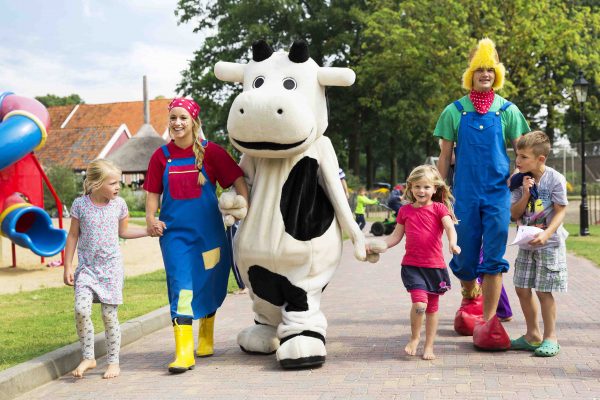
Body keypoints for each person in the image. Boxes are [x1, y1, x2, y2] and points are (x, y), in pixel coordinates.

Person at [435, 38, 530, 349]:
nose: (485, 74)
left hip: (497, 196)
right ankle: (469, 294)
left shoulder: (508, 111)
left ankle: (488, 322)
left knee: (493, 259)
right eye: (480, 70)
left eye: (490, 70)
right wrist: (437, 193)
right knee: (463, 261)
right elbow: (444, 156)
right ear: (471, 75)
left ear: (497, 74)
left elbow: (522, 151)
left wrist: (524, 180)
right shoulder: (454, 111)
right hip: (464, 195)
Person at [144, 98, 249, 373]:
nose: (177, 123)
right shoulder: (161, 156)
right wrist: (150, 218)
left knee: (210, 280)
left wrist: (243, 206)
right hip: (175, 236)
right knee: (182, 286)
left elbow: (237, 179)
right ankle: (183, 351)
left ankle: (205, 337)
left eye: (182, 118)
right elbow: (153, 192)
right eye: (173, 118)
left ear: (193, 122)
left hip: (210, 234)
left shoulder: (212, 152)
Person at [63, 159, 148, 379]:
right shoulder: (80, 205)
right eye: (113, 183)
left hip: (111, 269)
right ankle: (89, 356)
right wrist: (67, 266)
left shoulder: (119, 205)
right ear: (96, 183)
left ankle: (113, 361)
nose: (118, 187)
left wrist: (149, 231)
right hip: (87, 270)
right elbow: (72, 236)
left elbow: (124, 232)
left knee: (109, 316)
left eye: (118, 182)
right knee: (81, 310)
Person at [368, 165, 460, 360]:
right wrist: (377, 247)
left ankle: (429, 346)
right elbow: (394, 237)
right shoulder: (405, 211)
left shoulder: (439, 208)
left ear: (435, 189)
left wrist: (453, 243)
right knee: (420, 304)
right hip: (412, 266)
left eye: (426, 187)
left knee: (432, 308)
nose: (421, 191)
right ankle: (415, 337)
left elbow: (450, 227)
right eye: (417, 186)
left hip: (435, 267)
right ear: (410, 188)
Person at [509, 131, 568, 357]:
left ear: (540, 159)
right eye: (517, 156)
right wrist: (524, 193)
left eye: (524, 157)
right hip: (526, 244)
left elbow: (561, 210)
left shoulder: (555, 179)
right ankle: (532, 335)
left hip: (549, 244)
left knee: (544, 290)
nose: (518, 161)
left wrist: (546, 234)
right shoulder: (517, 179)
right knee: (522, 287)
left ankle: (550, 337)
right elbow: (514, 213)